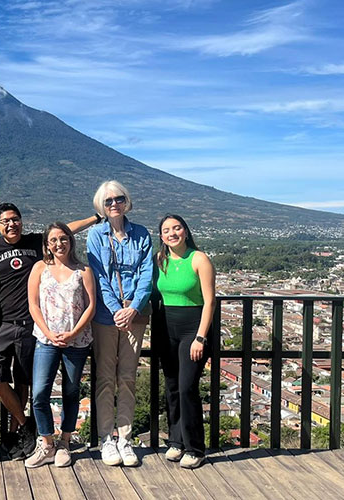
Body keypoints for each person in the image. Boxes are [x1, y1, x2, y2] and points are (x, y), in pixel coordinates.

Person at [0, 203, 99, 459]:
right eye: (5, 221)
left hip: (30, 325)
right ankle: (26, 424)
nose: (12, 224)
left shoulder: (36, 242)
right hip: (4, 322)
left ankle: (18, 436)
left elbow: (66, 230)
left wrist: (96, 218)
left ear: (21, 221)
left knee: (24, 381)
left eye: (15, 219)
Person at [86, 180, 153, 467]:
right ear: (101, 206)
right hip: (106, 316)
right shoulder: (95, 235)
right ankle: (106, 439)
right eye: (108, 201)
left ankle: (125, 438)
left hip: (134, 316)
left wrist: (134, 308)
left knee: (127, 378)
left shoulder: (141, 234)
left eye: (119, 199)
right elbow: (98, 276)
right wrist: (117, 310)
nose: (114, 204)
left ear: (127, 201)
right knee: (104, 378)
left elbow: (147, 273)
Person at [24, 222, 95, 468]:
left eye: (63, 238)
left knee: (71, 392)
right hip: (46, 340)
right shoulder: (39, 268)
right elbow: (33, 304)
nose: (59, 244)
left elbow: (91, 305)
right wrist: (48, 332)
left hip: (77, 341)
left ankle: (65, 442)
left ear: (70, 241)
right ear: (47, 244)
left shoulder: (83, 270)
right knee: (39, 393)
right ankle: (47, 444)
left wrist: (73, 332)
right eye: (53, 240)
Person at [154, 214, 215, 469]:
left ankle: (195, 448)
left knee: (187, 387)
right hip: (166, 328)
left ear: (186, 231)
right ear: (161, 236)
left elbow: (210, 301)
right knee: (172, 387)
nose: (172, 233)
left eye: (177, 228)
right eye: (167, 230)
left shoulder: (199, 259)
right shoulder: (160, 260)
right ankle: (176, 441)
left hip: (193, 329)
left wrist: (200, 337)